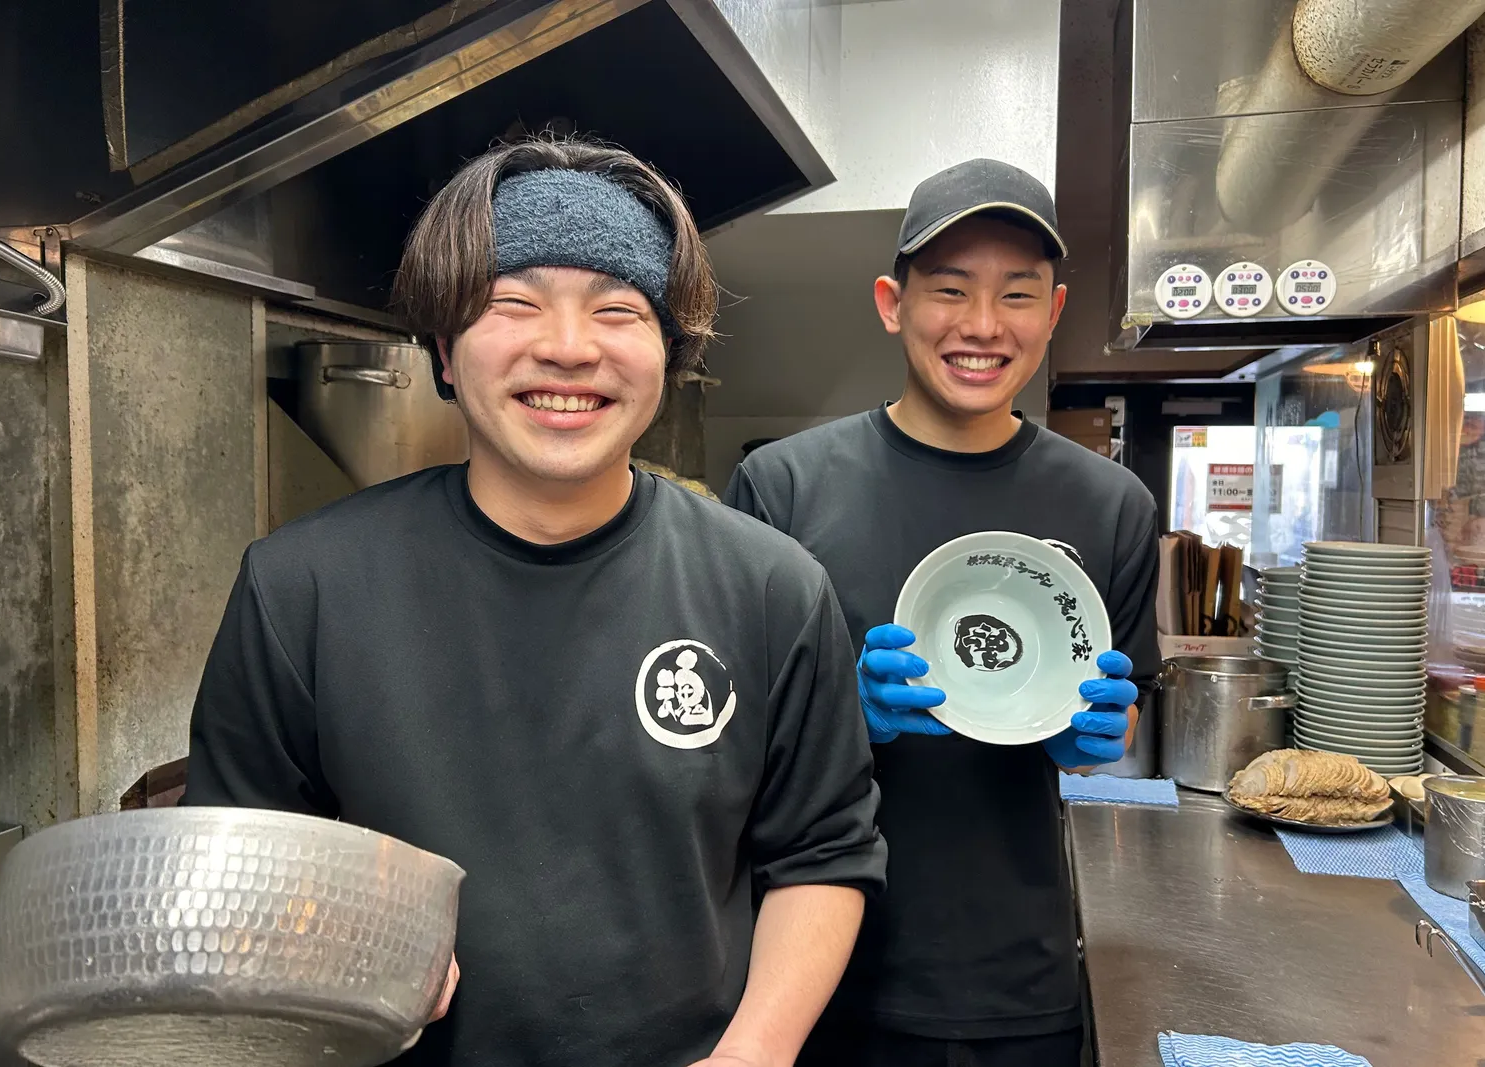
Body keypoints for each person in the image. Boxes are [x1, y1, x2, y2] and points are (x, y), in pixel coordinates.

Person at [182, 136, 886, 1067]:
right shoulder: (300, 587)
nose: (567, 348)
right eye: (514, 304)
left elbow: (824, 854)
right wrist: (332, 946)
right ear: (443, 345)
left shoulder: (771, 587)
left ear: (668, 352)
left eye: (618, 310)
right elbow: (240, 869)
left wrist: (751, 1053)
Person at [724, 158, 1159, 1067]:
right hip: (819, 978)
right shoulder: (785, 486)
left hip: (1022, 977)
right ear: (892, 302)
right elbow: (727, 747)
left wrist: (1096, 731)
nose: (982, 326)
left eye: (1018, 295)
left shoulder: (1112, 505)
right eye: (950, 290)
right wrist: (841, 714)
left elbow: (1121, 708)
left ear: (1054, 312)